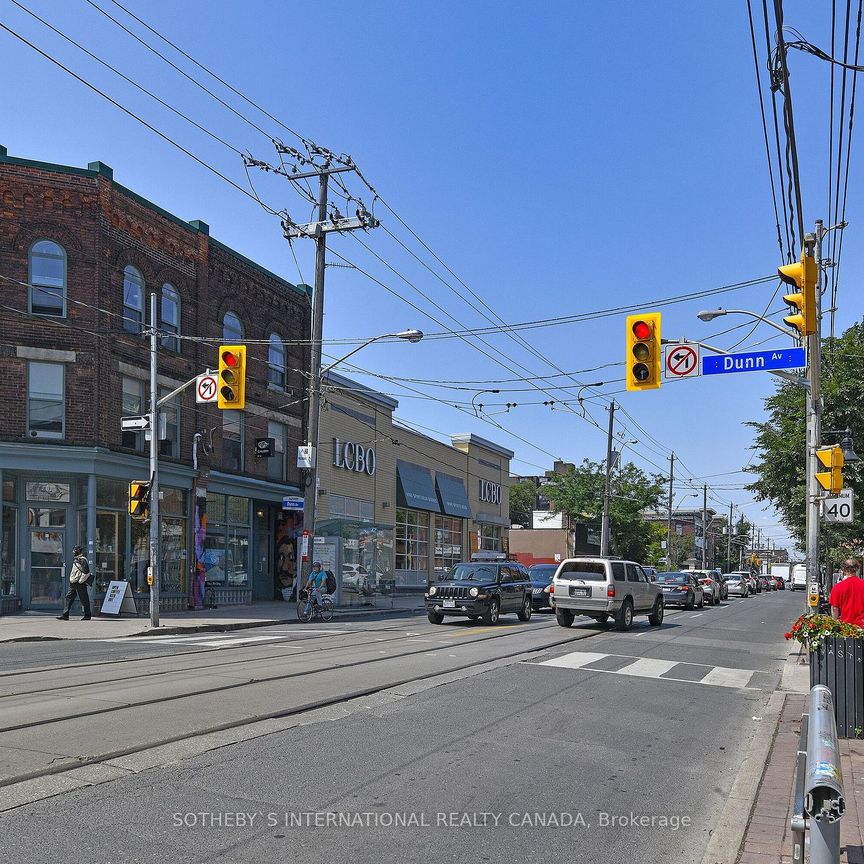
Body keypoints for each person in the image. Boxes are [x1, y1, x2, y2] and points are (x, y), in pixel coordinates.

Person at [57, 545, 92, 621]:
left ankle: (87, 615)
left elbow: (86, 572)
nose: (73, 552)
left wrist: (80, 581)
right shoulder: (76, 559)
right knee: (68, 598)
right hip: (73, 582)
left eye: (74, 550)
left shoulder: (83, 560)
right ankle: (65, 615)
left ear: (78, 551)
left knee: (84, 599)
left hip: (79, 583)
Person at [829, 559, 864, 625]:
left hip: (846, 628)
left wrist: (835, 623)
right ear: (857, 569)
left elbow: (834, 609)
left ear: (844, 569)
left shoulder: (837, 587)